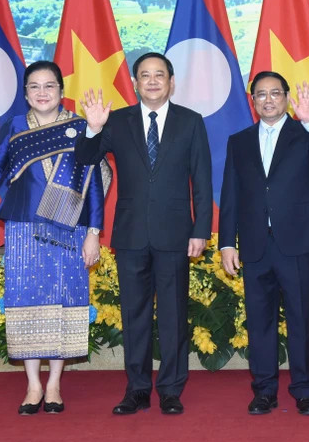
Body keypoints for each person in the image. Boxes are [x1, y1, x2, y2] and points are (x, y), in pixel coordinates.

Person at [75, 52, 212, 416]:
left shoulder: (190, 121)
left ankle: (170, 389)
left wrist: (201, 230)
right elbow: (85, 161)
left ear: (171, 81)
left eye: (159, 75)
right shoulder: (116, 121)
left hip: (175, 234)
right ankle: (136, 389)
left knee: (173, 315)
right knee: (133, 315)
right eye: (145, 76)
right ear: (135, 83)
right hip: (132, 233)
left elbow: (201, 180)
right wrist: (92, 129)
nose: (152, 81)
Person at [0, 60, 111, 415]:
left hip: (70, 227)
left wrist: (93, 233)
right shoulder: (15, 127)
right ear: (25, 93)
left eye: (50, 86)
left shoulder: (81, 126)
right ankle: (33, 385)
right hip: (23, 227)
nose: (42, 92)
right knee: (26, 300)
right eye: (34, 86)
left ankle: (54, 385)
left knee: (63, 300)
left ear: (62, 92)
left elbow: (94, 184)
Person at [219, 71, 309, 416]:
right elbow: (230, 195)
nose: (268, 100)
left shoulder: (304, 132)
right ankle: (264, 390)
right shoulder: (238, 141)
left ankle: (305, 391)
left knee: (301, 318)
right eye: (260, 95)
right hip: (256, 245)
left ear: (286, 97)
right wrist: (227, 242)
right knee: (260, 322)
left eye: (274, 93)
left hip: (299, 243)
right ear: (252, 101)